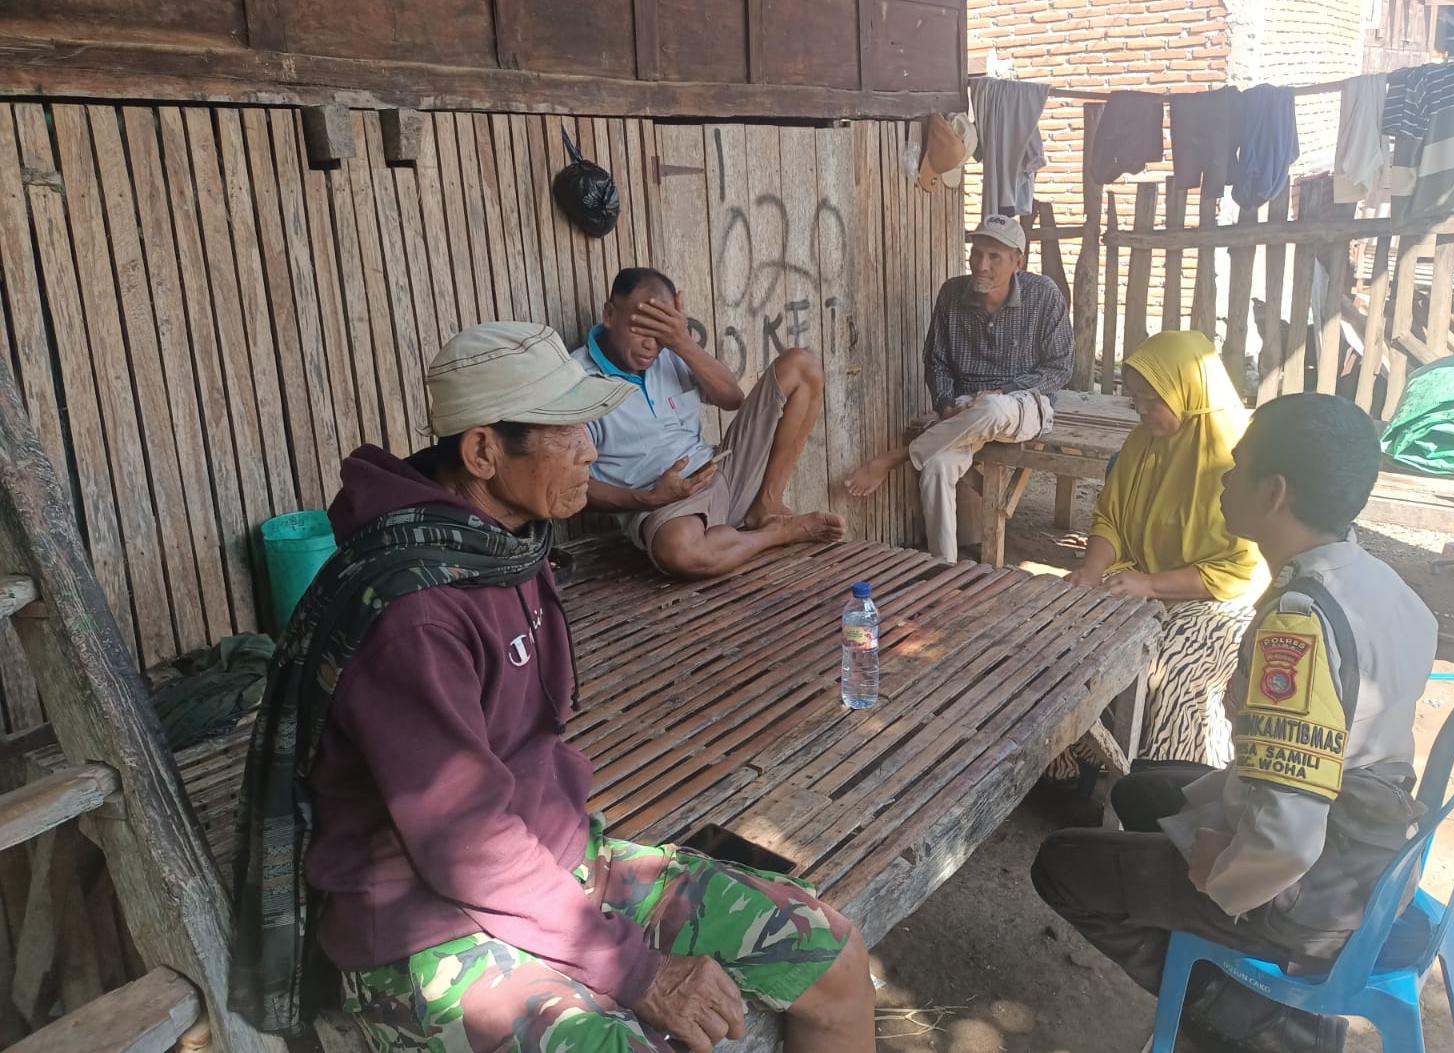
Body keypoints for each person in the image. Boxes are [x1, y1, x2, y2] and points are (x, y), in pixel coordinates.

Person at [229, 321, 875, 1053]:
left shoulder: (501, 543)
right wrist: (636, 970)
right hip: (428, 931)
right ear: (483, 452)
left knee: (833, 958)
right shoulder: (413, 614)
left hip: (557, 865)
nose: (590, 449)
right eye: (566, 432)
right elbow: (465, 846)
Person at [1032, 393, 1438, 1052]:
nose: (1223, 478)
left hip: (1316, 887)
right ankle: (1222, 962)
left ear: (1274, 493)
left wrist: (1220, 872)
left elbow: (1287, 841)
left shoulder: (1298, 629)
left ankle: (1263, 1023)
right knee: (1142, 789)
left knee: (1062, 864)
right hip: (1370, 840)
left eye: (1238, 465)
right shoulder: (1381, 585)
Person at [574, 267, 844, 578]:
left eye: (661, 332)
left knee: (803, 366)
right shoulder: (576, 382)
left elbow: (732, 398)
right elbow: (572, 483)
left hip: (719, 470)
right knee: (680, 550)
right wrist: (647, 498)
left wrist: (682, 343)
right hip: (668, 508)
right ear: (609, 314)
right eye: (642, 329)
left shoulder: (671, 352)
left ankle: (766, 506)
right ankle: (779, 532)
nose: (651, 345)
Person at [1074, 331, 1265, 767]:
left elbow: (1243, 570)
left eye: (1152, 398)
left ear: (1188, 391)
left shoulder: (1236, 457)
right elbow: (1110, 518)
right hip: (1139, 577)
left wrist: (1150, 584)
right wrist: (1092, 570)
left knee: (1171, 668)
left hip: (1221, 599)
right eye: (1134, 398)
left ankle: (1170, 780)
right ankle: (1078, 762)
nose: (1141, 410)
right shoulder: (1144, 440)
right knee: (1070, 629)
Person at [845, 214, 1073, 562]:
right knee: (935, 469)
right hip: (965, 409)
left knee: (993, 407)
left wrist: (1005, 391)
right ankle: (945, 568)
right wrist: (946, 404)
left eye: (994, 257)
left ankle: (899, 456)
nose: (981, 265)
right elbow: (935, 360)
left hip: (1023, 403)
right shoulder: (952, 293)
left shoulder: (1044, 295)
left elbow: (1060, 368)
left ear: (1018, 261)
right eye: (976, 253)